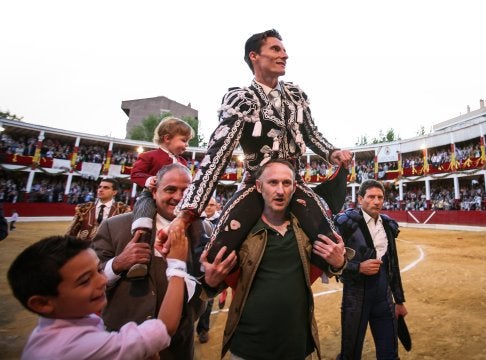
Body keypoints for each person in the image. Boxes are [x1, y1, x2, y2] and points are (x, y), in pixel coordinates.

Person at [162, 29, 352, 276]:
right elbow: (217, 156)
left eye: (283, 50)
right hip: (256, 185)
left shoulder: (295, 96)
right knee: (216, 252)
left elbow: (310, 132)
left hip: (294, 184)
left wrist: (332, 152)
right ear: (254, 56)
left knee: (332, 243)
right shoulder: (241, 99)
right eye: (276, 49)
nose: (284, 55)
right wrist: (187, 214)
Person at [200, 159, 347, 359]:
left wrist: (339, 263)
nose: (280, 190)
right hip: (248, 346)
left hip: (298, 344)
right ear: (259, 186)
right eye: (273, 182)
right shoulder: (240, 233)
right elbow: (216, 281)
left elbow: (329, 265)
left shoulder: (307, 231)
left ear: (295, 187)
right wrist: (210, 281)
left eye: (286, 183)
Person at [6, 229, 190, 360]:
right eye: (85, 280)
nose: (103, 281)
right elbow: (165, 328)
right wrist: (177, 265)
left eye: (99, 270)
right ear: (42, 304)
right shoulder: (75, 348)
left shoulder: (63, 321)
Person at [92, 163, 200, 359]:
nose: (178, 197)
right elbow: (90, 282)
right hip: (123, 344)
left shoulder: (203, 229)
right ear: (154, 191)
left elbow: (206, 285)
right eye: (170, 189)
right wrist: (117, 264)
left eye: (186, 191)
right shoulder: (114, 226)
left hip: (177, 345)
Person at [334, 180, 408, 360]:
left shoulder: (388, 225)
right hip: (355, 297)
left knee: (389, 353)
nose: (376, 201)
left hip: (384, 297)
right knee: (350, 354)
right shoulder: (346, 224)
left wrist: (398, 300)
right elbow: (331, 264)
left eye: (380, 197)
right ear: (360, 199)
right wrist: (357, 267)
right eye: (371, 197)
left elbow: (393, 264)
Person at [128, 116, 194, 278]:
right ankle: (140, 256)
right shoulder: (149, 156)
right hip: (150, 195)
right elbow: (135, 174)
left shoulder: (183, 162)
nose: (186, 145)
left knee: (195, 219)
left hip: (180, 200)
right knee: (144, 215)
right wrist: (149, 180)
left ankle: (198, 252)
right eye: (183, 140)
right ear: (167, 138)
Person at [65, 178, 130, 241]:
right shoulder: (84, 208)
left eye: (106, 188)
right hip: (85, 248)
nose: (101, 190)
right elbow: (71, 233)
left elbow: (125, 235)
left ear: (114, 192)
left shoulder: (122, 210)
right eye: (100, 187)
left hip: (109, 250)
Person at [194, 197, 220, 344]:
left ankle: (203, 330)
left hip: (209, 269)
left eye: (212, 205)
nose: (209, 208)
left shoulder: (222, 221)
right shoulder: (194, 220)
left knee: (208, 301)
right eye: (206, 205)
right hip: (192, 266)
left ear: (217, 206)